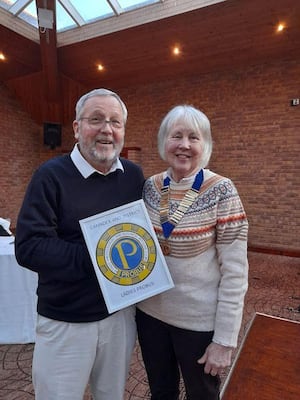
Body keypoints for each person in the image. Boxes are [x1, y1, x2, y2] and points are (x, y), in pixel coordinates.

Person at [15, 88, 145, 400]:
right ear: (76, 127)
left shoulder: (133, 176)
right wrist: (103, 257)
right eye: (96, 119)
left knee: (110, 396)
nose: (106, 130)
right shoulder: (50, 176)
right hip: (65, 321)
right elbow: (29, 246)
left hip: (119, 317)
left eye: (115, 122)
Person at [136, 105, 248, 400]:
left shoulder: (222, 190)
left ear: (205, 145)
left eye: (193, 137)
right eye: (176, 136)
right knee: (161, 392)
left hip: (198, 324)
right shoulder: (150, 187)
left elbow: (235, 272)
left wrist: (225, 339)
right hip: (150, 316)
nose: (184, 145)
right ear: (164, 142)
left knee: (202, 395)